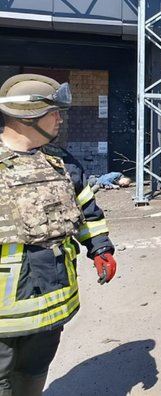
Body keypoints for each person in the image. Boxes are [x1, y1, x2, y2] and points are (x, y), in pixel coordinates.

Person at [0, 74, 116, 396]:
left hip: (52, 305)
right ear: (29, 117)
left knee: (33, 375)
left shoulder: (62, 162)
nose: (60, 119)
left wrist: (100, 248)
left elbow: (86, 209)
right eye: (53, 113)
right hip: (4, 314)